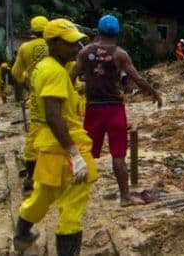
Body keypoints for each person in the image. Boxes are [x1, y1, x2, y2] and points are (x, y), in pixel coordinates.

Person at [14, 19, 96, 256]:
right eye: (69, 44)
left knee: (43, 193)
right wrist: (74, 154)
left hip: (48, 144)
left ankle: (21, 235)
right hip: (65, 143)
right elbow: (53, 115)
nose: (76, 48)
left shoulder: (42, 67)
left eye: (77, 43)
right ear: (52, 43)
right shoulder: (56, 73)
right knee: (73, 203)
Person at [72, 15, 163, 207]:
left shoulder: (85, 52)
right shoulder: (120, 54)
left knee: (85, 152)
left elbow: (71, 76)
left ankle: (72, 193)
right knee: (118, 155)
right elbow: (137, 78)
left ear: (98, 30)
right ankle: (125, 197)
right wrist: (154, 93)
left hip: (93, 108)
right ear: (117, 33)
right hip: (114, 109)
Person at [12, 16, 50, 195]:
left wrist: (26, 85)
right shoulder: (55, 45)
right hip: (57, 93)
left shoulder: (25, 48)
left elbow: (16, 73)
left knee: (34, 133)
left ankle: (32, 176)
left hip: (36, 96)